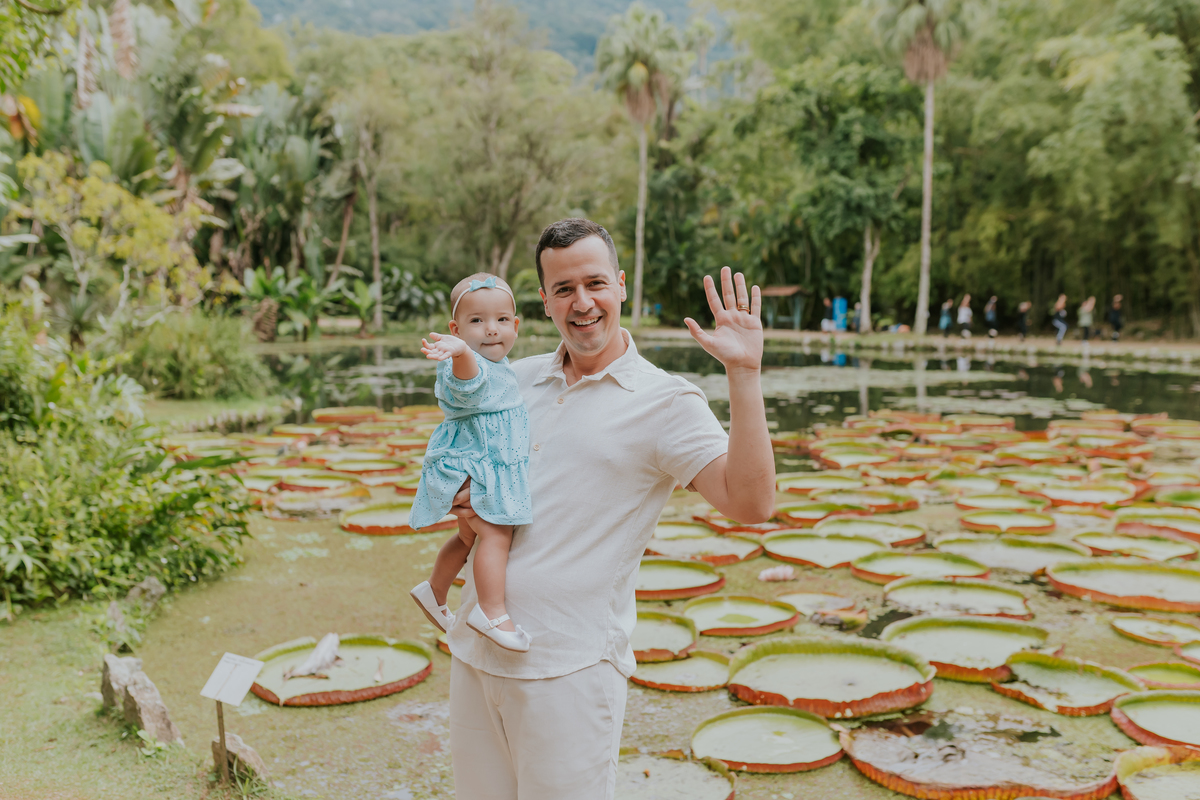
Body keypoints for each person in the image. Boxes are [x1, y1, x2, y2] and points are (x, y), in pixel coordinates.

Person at [444, 218, 775, 800]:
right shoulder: (509, 382)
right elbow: (462, 468)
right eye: (564, 289)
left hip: (569, 671)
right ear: (543, 301)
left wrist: (743, 375)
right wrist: (462, 492)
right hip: (475, 654)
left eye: (595, 283)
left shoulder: (666, 401)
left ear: (621, 285)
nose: (583, 303)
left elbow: (751, 504)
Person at [409, 274, 534, 653]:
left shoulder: (503, 365)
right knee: (496, 534)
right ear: (455, 329)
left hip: (477, 464)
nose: (490, 330)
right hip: (475, 468)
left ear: (515, 325)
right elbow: (469, 384)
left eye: (501, 320)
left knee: (467, 537)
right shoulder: (464, 364)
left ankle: (434, 590)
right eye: (476, 321)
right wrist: (462, 352)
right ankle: (492, 612)